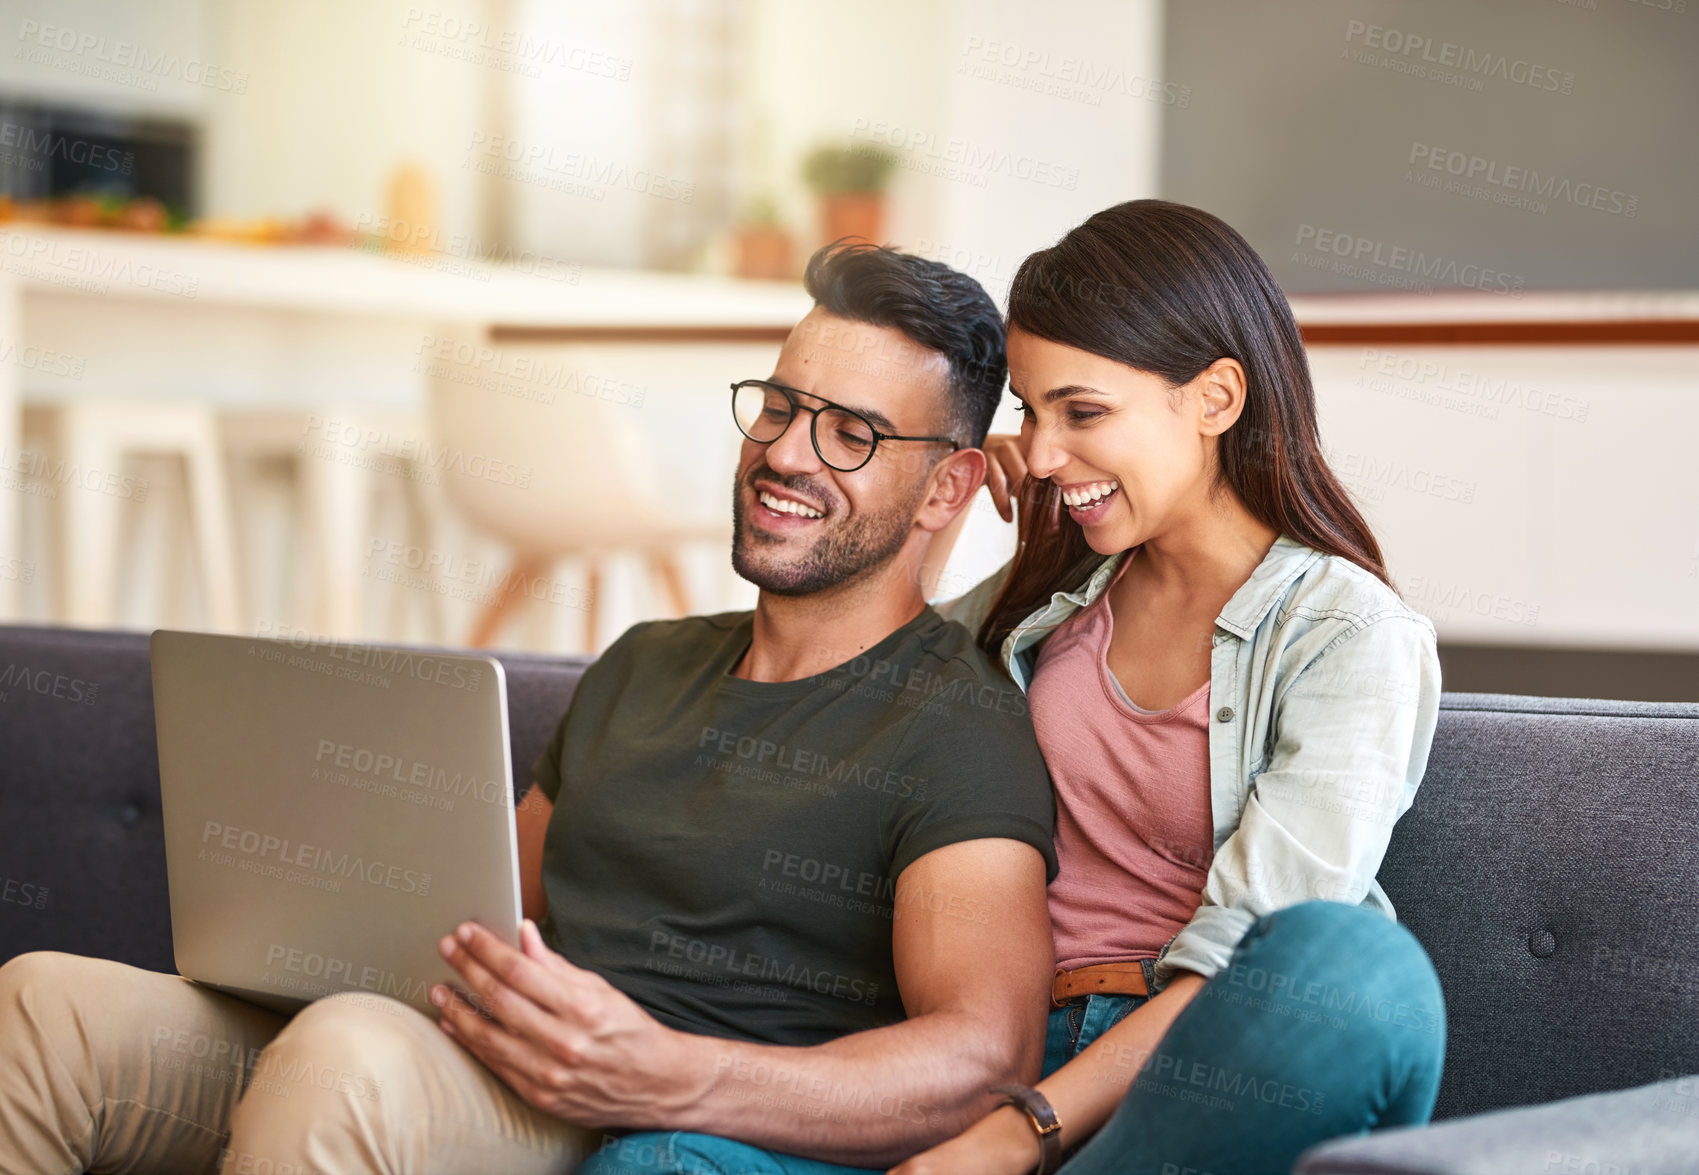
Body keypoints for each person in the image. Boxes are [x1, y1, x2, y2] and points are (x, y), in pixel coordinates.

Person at [0, 243, 1060, 1175]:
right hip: (463, 1045)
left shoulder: (953, 724)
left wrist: (671, 1076)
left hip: (606, 1103)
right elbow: (480, 916)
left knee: (349, 1055)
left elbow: (984, 1053)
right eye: (779, 406)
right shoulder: (645, 662)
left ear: (944, 488)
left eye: (851, 434)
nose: (785, 453)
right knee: (42, 1005)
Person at [898, 199, 1448, 1175]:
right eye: (1031, 411)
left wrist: (1017, 1133)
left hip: (1185, 1067)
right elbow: (879, 677)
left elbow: (1245, 949)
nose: (1045, 452)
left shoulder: (1348, 633)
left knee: (1353, 968)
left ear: (1214, 398)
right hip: (1001, 1038)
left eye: (1082, 410)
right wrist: (946, 511)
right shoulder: (1051, 592)